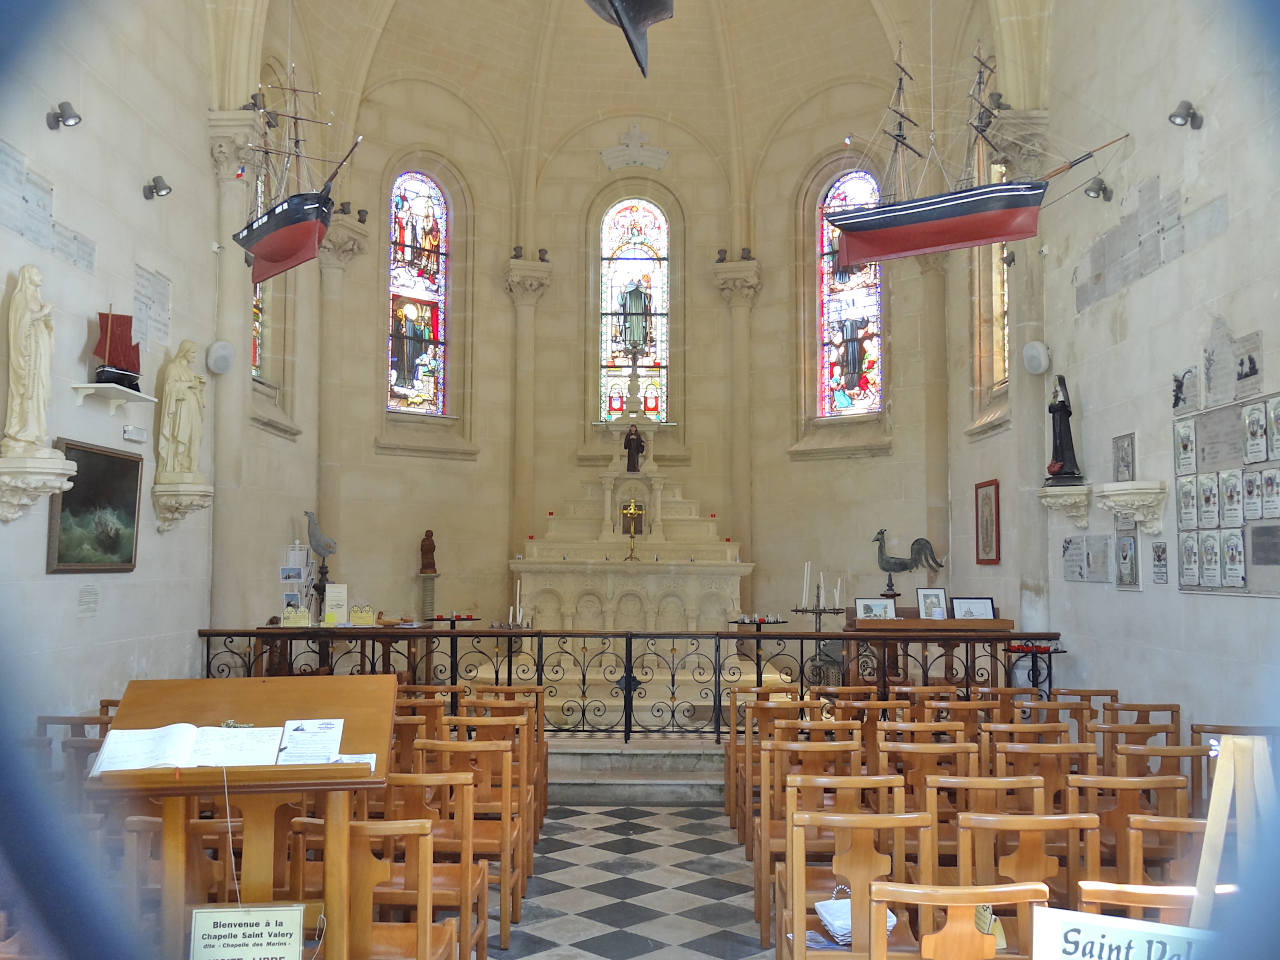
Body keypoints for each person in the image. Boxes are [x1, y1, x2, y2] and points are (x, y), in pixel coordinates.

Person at [2, 265, 56, 457]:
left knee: (41, 390)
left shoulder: (37, 299)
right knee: (29, 391)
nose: (40, 275)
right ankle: (23, 431)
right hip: (29, 353)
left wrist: (47, 320)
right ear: (27, 276)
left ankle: (35, 433)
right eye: (36, 272)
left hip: (41, 352)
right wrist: (43, 313)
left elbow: (46, 326)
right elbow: (20, 323)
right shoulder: (20, 297)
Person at [157, 340, 207, 479]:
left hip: (193, 409)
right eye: (192, 352)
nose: (194, 356)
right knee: (181, 436)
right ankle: (176, 466)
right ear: (184, 352)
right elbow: (170, 388)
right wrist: (190, 384)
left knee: (195, 436)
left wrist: (201, 386)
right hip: (182, 409)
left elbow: (199, 396)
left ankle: (191, 467)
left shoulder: (190, 372)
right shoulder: (173, 368)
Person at [1046, 375, 1081, 480]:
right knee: (1057, 444)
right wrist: (1053, 403)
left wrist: (1054, 406)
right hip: (1056, 424)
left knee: (1063, 443)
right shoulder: (1055, 396)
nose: (1055, 385)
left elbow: (1062, 406)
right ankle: (1057, 462)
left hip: (1062, 425)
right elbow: (1050, 408)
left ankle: (1067, 465)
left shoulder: (1063, 395)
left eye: (1057, 383)